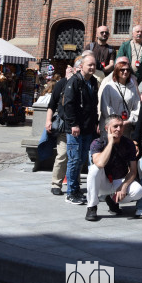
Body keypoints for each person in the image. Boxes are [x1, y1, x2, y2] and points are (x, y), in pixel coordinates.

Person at [85, 114, 142, 221]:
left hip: (119, 180)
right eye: (115, 126)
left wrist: (124, 186)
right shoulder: (97, 142)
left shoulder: (129, 143)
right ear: (107, 128)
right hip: (103, 182)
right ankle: (92, 206)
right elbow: (100, 163)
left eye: (121, 126)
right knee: (94, 169)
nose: (119, 129)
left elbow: (133, 171)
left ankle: (113, 199)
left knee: (138, 191)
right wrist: (110, 143)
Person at [63, 53, 99, 205]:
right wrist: (73, 124)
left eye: (94, 65)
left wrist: (95, 123)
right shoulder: (74, 81)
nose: (92, 67)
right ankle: (71, 192)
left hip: (87, 128)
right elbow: (68, 104)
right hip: (76, 129)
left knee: (81, 160)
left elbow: (93, 106)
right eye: (89, 65)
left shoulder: (93, 82)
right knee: (74, 160)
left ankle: (76, 189)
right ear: (81, 66)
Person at [45, 62, 77, 195]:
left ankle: (72, 183)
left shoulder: (84, 83)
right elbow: (51, 104)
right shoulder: (62, 83)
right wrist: (48, 120)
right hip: (64, 126)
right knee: (62, 154)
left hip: (78, 126)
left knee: (76, 157)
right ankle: (56, 183)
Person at [99, 57, 140, 134]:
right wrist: (117, 122)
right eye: (122, 70)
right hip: (111, 127)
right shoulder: (109, 86)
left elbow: (137, 107)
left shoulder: (132, 87)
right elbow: (105, 107)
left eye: (128, 70)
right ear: (117, 71)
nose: (125, 72)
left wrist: (129, 120)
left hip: (126, 127)